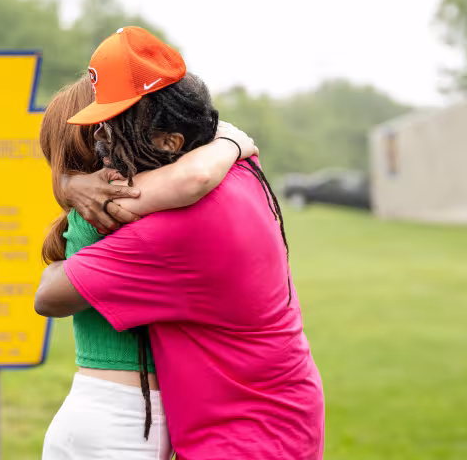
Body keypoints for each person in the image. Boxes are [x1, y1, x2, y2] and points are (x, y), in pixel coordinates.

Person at [36, 27, 325, 459]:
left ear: (170, 143)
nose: (105, 150)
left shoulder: (172, 230)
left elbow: (49, 295)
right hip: (283, 416)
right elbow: (204, 160)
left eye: (113, 133)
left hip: (241, 438)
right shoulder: (238, 167)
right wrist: (70, 183)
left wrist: (75, 186)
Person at [39, 76, 258, 459]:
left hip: (118, 418)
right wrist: (234, 142)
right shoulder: (117, 209)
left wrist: (68, 182)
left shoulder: (113, 204)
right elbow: (196, 170)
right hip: (118, 422)